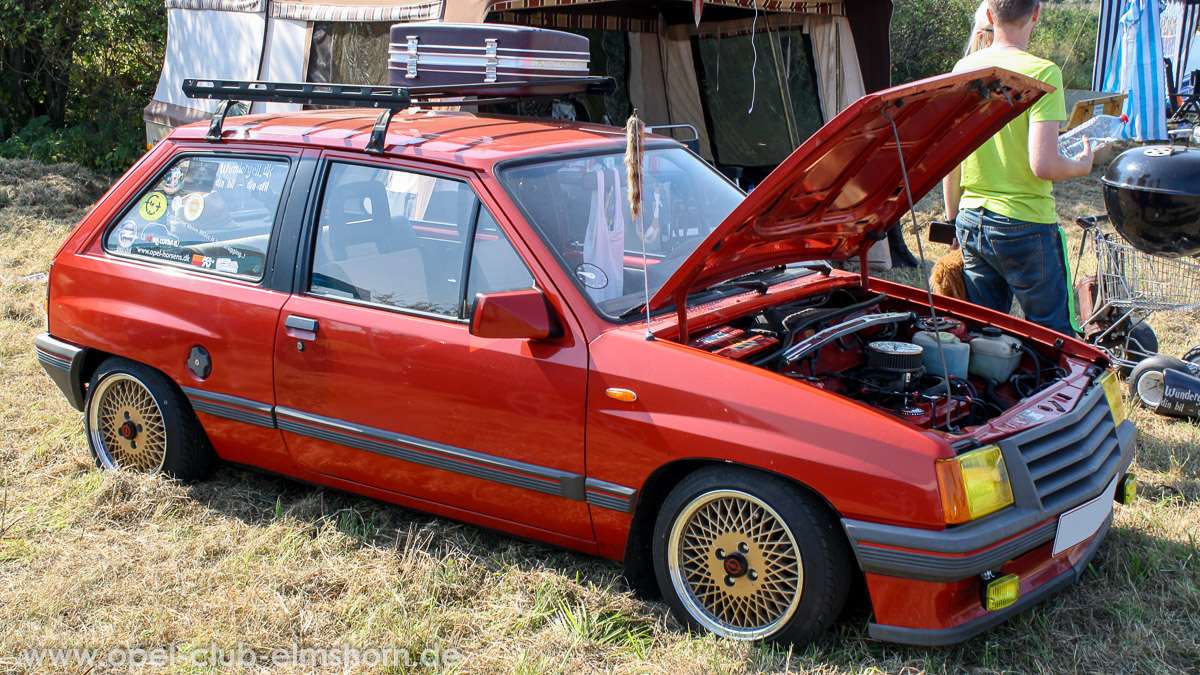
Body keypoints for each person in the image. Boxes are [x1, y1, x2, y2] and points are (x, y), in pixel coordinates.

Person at [942, 0, 1093, 336]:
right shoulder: (1043, 72)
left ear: (991, 16)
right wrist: (1081, 165)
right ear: (1036, 14)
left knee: (982, 333)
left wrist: (952, 218)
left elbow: (949, 156)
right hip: (1025, 223)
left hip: (971, 220)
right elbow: (1044, 164)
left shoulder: (962, 68)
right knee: (1054, 335)